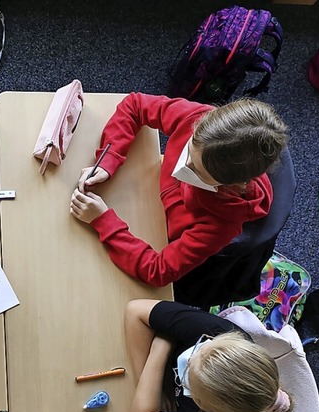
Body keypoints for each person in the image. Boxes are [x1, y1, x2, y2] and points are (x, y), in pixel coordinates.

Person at [70, 93, 289, 292]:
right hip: (144, 201)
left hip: (154, 231)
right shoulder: (200, 119)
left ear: (231, 184)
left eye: (196, 170)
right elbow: (135, 105)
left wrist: (102, 221)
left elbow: (157, 271)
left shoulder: (219, 226)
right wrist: (109, 160)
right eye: (189, 149)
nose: (183, 164)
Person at [125, 299, 292, 412]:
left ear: (212, 410)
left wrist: (160, 345)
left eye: (187, 375)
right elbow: (135, 309)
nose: (191, 357)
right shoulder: (220, 334)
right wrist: (154, 389)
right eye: (202, 345)